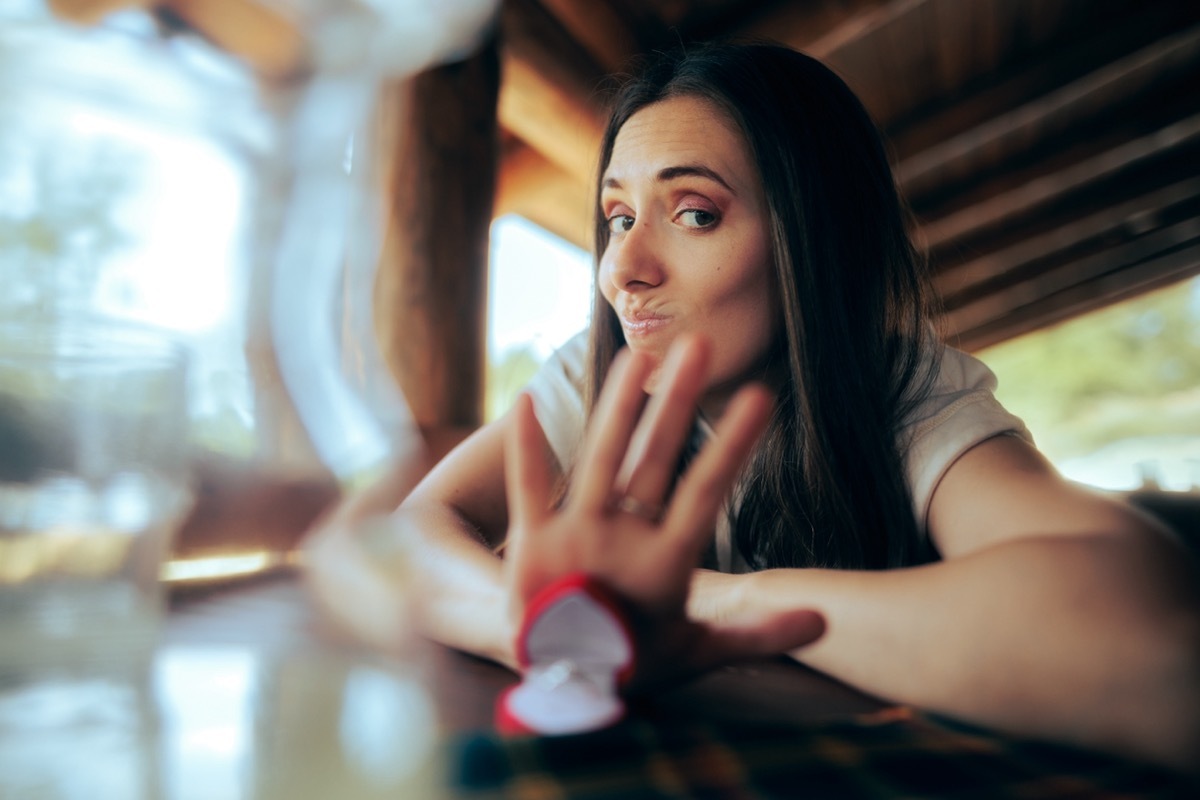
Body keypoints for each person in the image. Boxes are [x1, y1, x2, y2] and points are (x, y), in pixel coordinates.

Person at [305, 40, 1200, 771]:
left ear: (809, 241)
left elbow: (1142, 646)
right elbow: (409, 535)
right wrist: (554, 625)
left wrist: (697, 608)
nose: (623, 270)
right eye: (618, 218)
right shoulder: (601, 374)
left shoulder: (904, 390)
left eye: (693, 212)